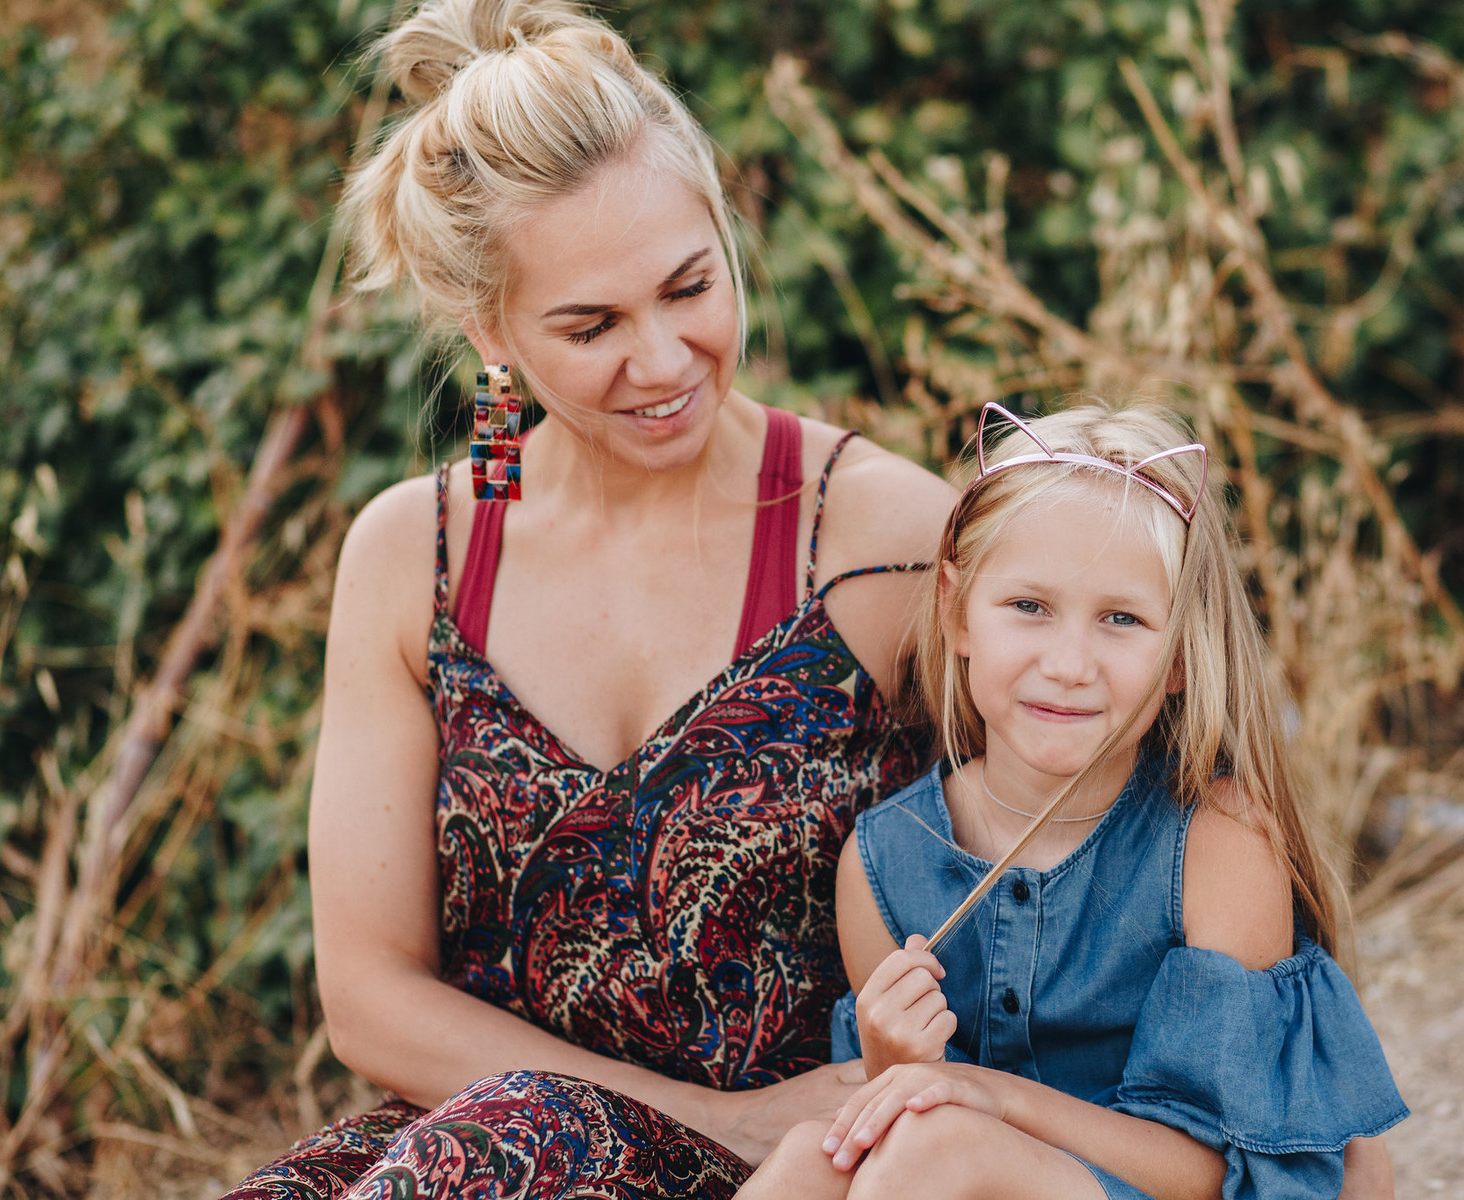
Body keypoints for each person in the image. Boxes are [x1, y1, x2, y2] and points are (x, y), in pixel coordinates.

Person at [221, 1, 954, 1196]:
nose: (662, 360)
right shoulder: (420, 553)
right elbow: (371, 1001)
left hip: (806, 1171)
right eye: (590, 325)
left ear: (724, 235)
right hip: (491, 1153)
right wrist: (716, 1116)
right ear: (488, 332)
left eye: (688, 287)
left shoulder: (878, 536)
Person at [737, 402, 1408, 1200]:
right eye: (1029, 607)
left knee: (943, 1143)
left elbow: (1205, 1168)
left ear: (1180, 659)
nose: (1068, 663)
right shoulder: (886, 863)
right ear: (956, 611)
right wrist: (894, 1069)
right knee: (814, 1157)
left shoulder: (1214, 841)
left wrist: (989, 1098)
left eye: (1121, 619)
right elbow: (893, 1131)